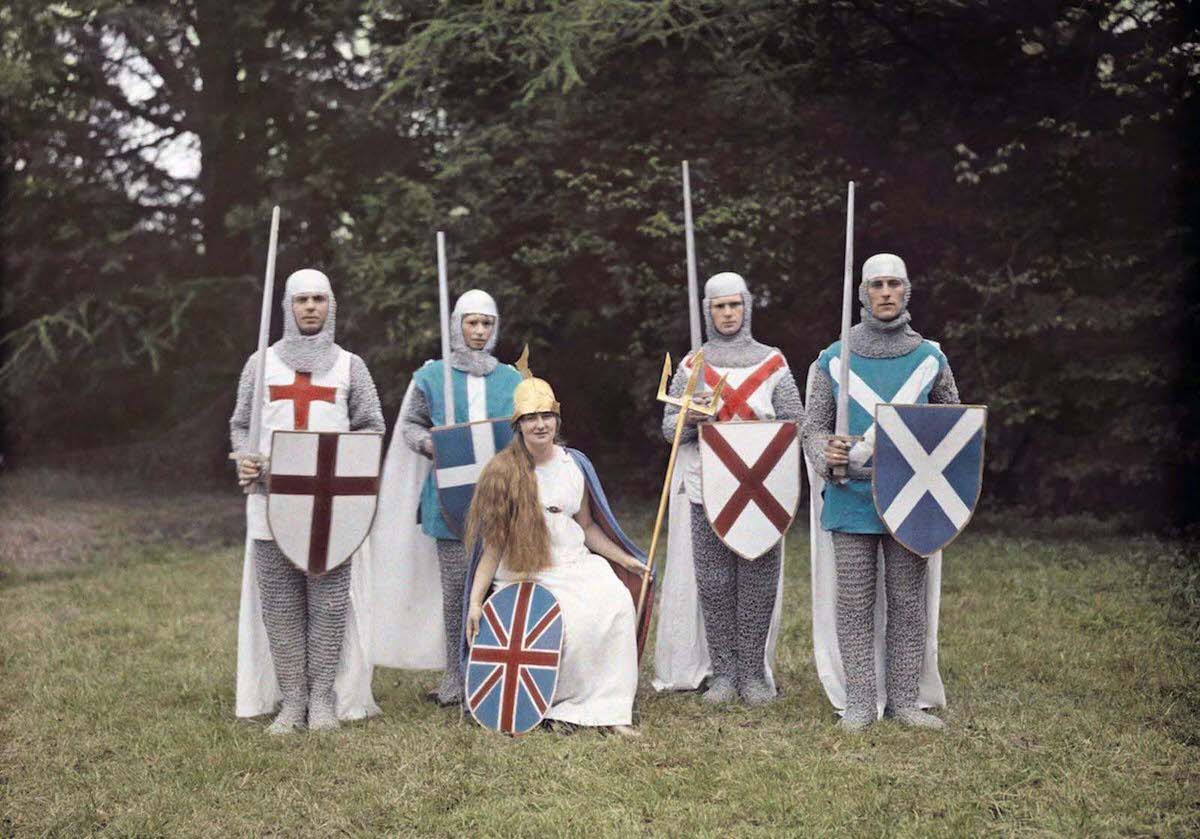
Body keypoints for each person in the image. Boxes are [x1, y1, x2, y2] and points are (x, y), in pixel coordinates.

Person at [802, 253, 960, 732]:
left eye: (894, 284)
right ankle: (860, 701)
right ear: (863, 293)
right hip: (852, 496)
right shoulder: (833, 358)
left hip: (912, 501)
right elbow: (812, 428)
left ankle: (906, 702)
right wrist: (824, 452)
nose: (886, 292)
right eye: (876, 285)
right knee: (853, 603)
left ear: (906, 290)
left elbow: (952, 425)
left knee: (907, 602)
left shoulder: (930, 357)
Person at [230, 268, 384, 733]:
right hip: (271, 501)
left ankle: (321, 698)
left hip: (331, 510)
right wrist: (245, 457)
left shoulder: (349, 365)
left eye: (319, 298)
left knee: (328, 605)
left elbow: (372, 427)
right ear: (288, 307)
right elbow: (241, 424)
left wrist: (345, 470)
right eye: (302, 300)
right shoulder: (261, 364)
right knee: (280, 605)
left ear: (331, 305)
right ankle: (292, 699)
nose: (311, 307)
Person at [464, 376, 646, 736]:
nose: (540, 424)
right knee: (572, 621)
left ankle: (610, 709)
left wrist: (624, 560)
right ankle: (560, 707)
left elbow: (588, 527)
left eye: (546, 415)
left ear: (557, 420)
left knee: (616, 603)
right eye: (531, 417)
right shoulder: (503, 472)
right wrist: (474, 602)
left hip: (573, 563)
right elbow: (493, 547)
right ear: (518, 425)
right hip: (525, 571)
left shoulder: (574, 464)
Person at [653, 272, 804, 706]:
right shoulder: (691, 366)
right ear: (708, 311)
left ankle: (754, 673)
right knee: (715, 582)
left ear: (747, 307)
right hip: (709, 489)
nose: (728, 314)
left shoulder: (771, 363)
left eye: (734, 305)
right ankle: (723, 672)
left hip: (762, 490)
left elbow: (794, 420)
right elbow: (669, 430)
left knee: (757, 579)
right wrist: (691, 422)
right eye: (719, 307)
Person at [371, 290, 523, 705]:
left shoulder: (512, 379)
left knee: (496, 585)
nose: (478, 331)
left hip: (499, 496)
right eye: (471, 322)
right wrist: (430, 444)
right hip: (448, 500)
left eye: (486, 324)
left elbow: (524, 431)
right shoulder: (432, 377)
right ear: (457, 325)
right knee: (457, 589)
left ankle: (492, 670)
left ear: (495, 329)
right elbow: (412, 425)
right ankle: (456, 674)